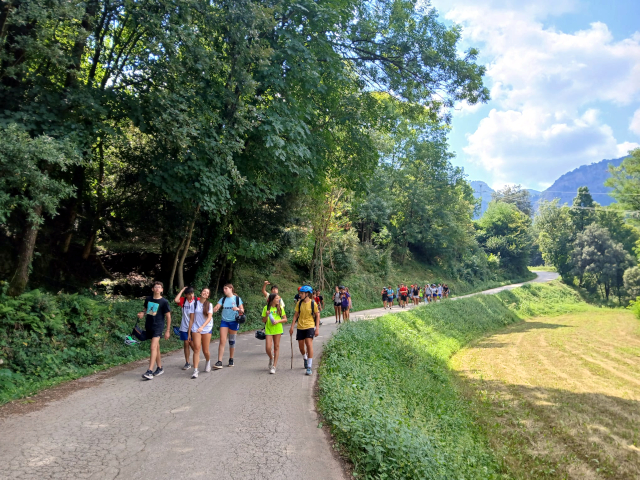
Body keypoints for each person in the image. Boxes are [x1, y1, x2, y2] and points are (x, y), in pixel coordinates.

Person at [138, 281, 172, 380]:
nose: (157, 288)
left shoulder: (164, 302)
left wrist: (167, 330)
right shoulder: (148, 299)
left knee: (153, 347)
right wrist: (142, 313)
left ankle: (149, 371)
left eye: (159, 287)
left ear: (162, 290)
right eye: (156, 287)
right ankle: (160, 368)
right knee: (156, 347)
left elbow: (168, 316)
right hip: (149, 326)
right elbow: (146, 310)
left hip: (158, 327)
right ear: (153, 289)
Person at [290, 286, 320, 375]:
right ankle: (305, 357)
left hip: (310, 326)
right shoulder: (299, 303)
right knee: (301, 347)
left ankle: (309, 367)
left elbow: (317, 315)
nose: (300, 295)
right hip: (300, 327)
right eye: (300, 293)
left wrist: (317, 328)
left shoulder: (313, 303)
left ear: (307, 294)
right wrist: (292, 327)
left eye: (302, 293)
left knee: (309, 344)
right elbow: (295, 315)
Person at [212, 284, 244, 368]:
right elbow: (217, 307)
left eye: (226, 288)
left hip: (234, 321)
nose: (224, 290)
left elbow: (242, 311)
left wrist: (238, 309)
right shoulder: (223, 299)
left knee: (231, 341)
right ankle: (219, 361)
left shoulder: (237, 299)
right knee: (222, 341)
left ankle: (231, 359)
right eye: (223, 289)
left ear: (231, 289)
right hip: (224, 322)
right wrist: (214, 309)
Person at [187, 288, 214, 379]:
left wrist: (202, 327)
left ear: (208, 296)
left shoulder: (209, 305)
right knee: (196, 348)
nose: (205, 293)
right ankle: (195, 370)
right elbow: (191, 319)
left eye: (207, 292)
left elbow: (209, 317)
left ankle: (208, 361)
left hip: (206, 328)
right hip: (196, 328)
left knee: (205, 350)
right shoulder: (194, 304)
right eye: (204, 291)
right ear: (201, 293)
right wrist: (189, 333)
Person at [262, 293, 287, 374]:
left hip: (277, 329)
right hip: (269, 329)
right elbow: (263, 320)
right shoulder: (266, 308)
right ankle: (271, 357)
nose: (278, 300)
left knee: (276, 346)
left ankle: (274, 366)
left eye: (278, 298)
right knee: (268, 348)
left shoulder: (280, 308)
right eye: (276, 298)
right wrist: (266, 315)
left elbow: (285, 319)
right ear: (272, 299)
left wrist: (278, 321)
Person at [174, 286, 197, 370]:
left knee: (192, 344)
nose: (191, 296)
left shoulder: (197, 301)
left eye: (192, 293)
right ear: (186, 295)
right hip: (184, 326)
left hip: (194, 326)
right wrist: (182, 290)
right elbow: (176, 300)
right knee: (186, 343)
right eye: (189, 294)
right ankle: (187, 362)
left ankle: (197, 356)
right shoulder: (183, 300)